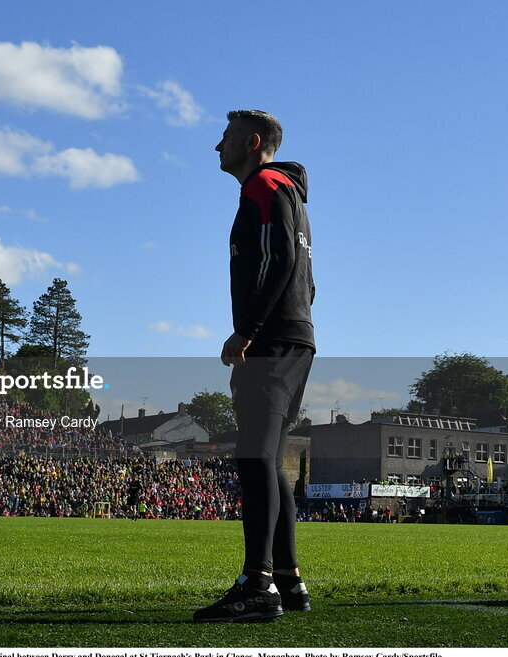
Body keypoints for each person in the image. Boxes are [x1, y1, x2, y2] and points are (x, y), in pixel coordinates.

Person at [193, 110, 316, 623]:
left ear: (253, 142)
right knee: (267, 458)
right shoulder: (288, 191)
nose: (216, 147)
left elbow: (279, 258)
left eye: (224, 138)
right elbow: (306, 280)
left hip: (271, 342)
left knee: (253, 457)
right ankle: (287, 578)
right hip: (295, 339)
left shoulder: (264, 184)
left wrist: (248, 329)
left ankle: (257, 584)